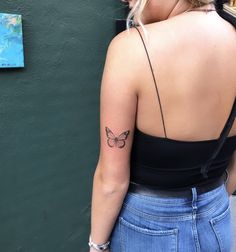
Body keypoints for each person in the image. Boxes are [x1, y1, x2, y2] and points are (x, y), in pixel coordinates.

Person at [88, 0, 236, 251]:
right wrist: (211, 199)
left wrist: (97, 245)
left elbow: (111, 180)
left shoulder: (132, 47)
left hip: (148, 229)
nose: (126, 0)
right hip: (218, 220)